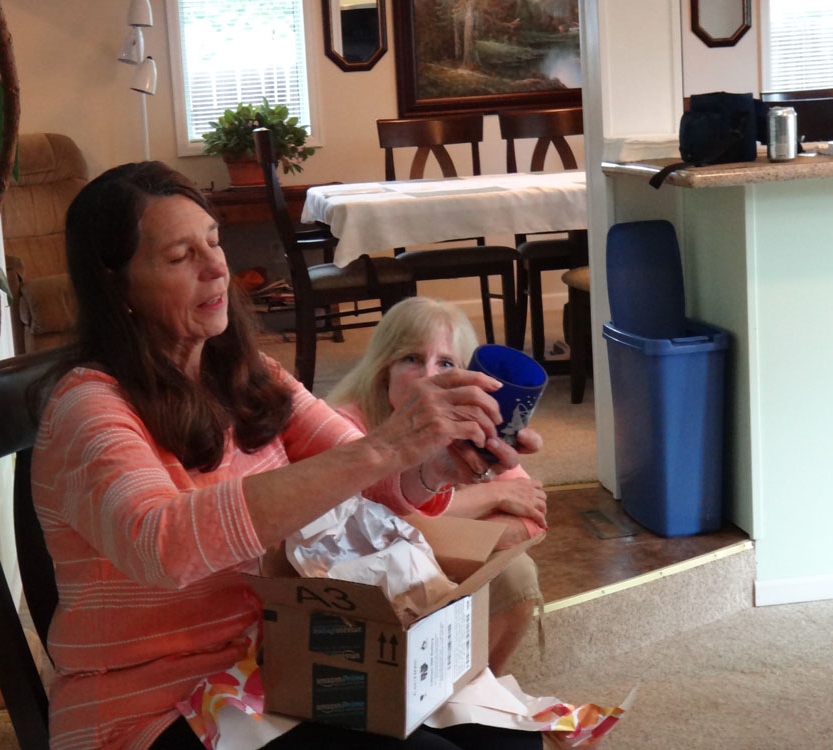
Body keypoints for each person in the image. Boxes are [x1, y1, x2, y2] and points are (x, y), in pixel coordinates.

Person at [30, 161, 543, 750]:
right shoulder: (88, 409)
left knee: (514, 744)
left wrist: (436, 464)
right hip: (156, 707)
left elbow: (368, 476)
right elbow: (164, 545)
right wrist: (390, 443)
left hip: (286, 660)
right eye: (179, 256)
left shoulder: (250, 375)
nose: (216, 267)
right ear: (117, 285)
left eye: (213, 242)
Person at [326, 296, 547, 674]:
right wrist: (490, 495)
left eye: (446, 363)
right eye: (411, 359)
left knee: (516, 572)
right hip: (356, 584)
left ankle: (479, 683)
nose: (430, 376)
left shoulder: (469, 419)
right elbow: (365, 537)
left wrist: (427, 529)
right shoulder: (342, 426)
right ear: (383, 368)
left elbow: (531, 521)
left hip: (425, 563)